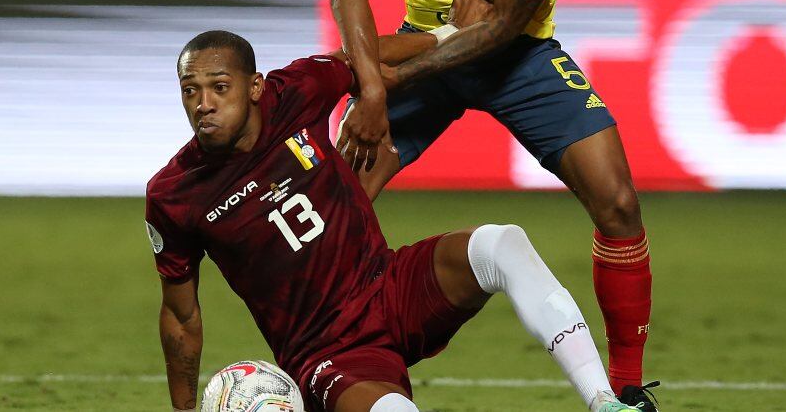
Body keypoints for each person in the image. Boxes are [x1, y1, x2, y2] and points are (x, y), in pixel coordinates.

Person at [329, 0, 657, 409]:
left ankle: (625, 387)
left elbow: (504, 25)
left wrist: (393, 79)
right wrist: (371, 90)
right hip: (426, 39)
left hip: (518, 59)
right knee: (337, 204)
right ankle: (323, 357)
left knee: (618, 201)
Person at [147, 25, 648, 412]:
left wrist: (449, 33)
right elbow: (181, 316)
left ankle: (603, 401)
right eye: (190, 91)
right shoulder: (174, 194)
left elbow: (361, 56)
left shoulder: (295, 91)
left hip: (389, 287)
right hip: (325, 351)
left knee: (501, 244)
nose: (204, 105)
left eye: (219, 87)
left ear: (255, 87)